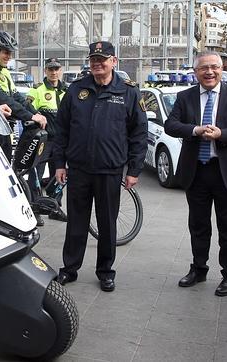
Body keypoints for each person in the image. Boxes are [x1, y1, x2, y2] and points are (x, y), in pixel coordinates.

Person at [53, 41, 147, 292]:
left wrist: (135, 170)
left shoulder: (128, 91)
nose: (97, 63)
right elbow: (61, 129)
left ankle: (106, 271)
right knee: (76, 223)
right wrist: (59, 164)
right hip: (79, 169)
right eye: (93, 59)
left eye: (102, 59)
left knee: (107, 224)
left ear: (113, 61)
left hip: (110, 170)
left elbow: (139, 133)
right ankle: (69, 269)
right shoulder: (76, 90)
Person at [164, 51, 227, 297]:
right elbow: (171, 125)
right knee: (198, 225)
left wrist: (222, 134)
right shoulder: (185, 97)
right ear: (195, 72)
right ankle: (199, 268)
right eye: (203, 68)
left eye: (214, 67)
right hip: (197, 171)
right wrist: (195, 130)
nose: (209, 72)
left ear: (222, 69)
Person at [0, 30, 47, 161]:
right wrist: (30, 116)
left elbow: (17, 98)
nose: (9, 56)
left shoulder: (3, 71)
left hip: (3, 130)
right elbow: (2, 99)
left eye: (10, 53)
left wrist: (37, 114)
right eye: (6, 52)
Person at [26, 57, 67, 217]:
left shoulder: (66, 91)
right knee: (36, 173)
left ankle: (55, 208)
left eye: (56, 69)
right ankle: (34, 210)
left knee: (58, 174)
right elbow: (27, 106)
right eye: (50, 69)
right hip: (44, 141)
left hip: (61, 142)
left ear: (60, 70)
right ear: (46, 71)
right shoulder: (38, 89)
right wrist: (36, 114)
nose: (54, 72)